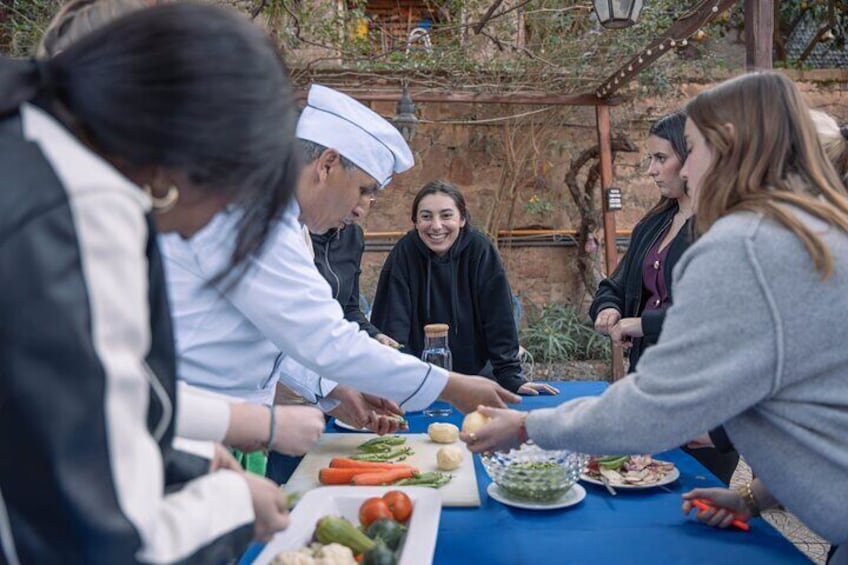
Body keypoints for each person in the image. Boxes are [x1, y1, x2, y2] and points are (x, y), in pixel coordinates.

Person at [463, 72, 848, 561]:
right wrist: (754, 497)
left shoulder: (745, 244)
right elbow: (819, 411)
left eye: (691, 149)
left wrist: (526, 427)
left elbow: (659, 406)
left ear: (726, 145)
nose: (685, 172)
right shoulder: (814, 232)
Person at [1, 3, 306, 562]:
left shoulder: (25, 140)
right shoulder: (84, 207)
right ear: (190, 153)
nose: (205, 230)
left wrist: (182, 459)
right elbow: (111, 543)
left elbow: (66, 410)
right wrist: (235, 502)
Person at [160, 85, 520, 456]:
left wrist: (332, 389)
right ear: (327, 165)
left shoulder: (284, 223)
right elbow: (326, 337)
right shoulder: (255, 221)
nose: (363, 208)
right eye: (364, 190)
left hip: (226, 425)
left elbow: (278, 336)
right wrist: (452, 385)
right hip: (193, 429)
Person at [589, 112, 738, 484]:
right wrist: (609, 307)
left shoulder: (724, 226)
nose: (651, 170)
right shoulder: (653, 223)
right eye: (649, 159)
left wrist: (641, 324)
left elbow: (716, 314)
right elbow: (617, 283)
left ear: (692, 157)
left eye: (660, 158)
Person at [371, 180, 557, 396]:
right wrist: (402, 379)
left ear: (462, 219)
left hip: (477, 376)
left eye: (446, 215)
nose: (436, 225)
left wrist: (511, 377)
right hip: (419, 381)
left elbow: (499, 318)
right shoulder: (403, 254)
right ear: (415, 221)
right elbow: (393, 324)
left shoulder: (481, 251)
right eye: (426, 216)